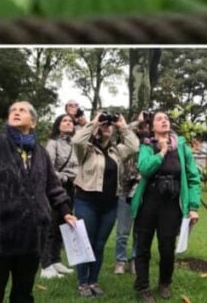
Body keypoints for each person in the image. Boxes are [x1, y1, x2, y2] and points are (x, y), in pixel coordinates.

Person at [0, 101, 77, 303]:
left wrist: (65, 211)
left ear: (33, 123)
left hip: (32, 234)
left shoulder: (40, 153)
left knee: (23, 293)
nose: (16, 112)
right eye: (13, 110)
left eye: (22, 110)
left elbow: (53, 186)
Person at [130, 111, 201, 302]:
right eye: (159, 119)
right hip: (149, 201)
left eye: (166, 119)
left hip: (172, 203)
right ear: (152, 127)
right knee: (143, 245)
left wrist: (193, 206)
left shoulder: (182, 147)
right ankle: (142, 287)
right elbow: (144, 168)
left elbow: (193, 177)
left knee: (167, 247)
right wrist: (161, 152)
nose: (164, 121)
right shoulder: (147, 145)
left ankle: (164, 283)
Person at [71, 111, 138, 297]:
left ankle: (93, 281)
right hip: (86, 202)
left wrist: (122, 126)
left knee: (99, 245)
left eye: (109, 125)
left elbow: (134, 147)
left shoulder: (116, 151)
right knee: (87, 243)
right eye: (104, 125)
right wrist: (94, 122)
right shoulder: (85, 150)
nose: (107, 126)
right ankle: (82, 283)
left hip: (110, 205)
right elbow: (77, 140)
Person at [40, 113, 78, 279]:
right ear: (58, 124)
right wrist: (63, 177)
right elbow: (47, 167)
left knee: (63, 225)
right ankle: (46, 265)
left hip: (72, 188)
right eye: (65, 120)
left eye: (71, 121)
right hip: (56, 188)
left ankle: (56, 259)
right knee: (50, 225)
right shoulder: (53, 143)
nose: (68, 123)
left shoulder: (75, 144)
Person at [114, 118, 150, 275]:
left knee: (139, 231)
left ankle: (134, 259)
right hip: (125, 192)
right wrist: (138, 120)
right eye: (141, 127)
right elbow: (125, 131)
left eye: (146, 127)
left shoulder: (150, 147)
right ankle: (120, 261)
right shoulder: (126, 145)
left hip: (143, 193)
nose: (143, 129)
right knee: (123, 231)